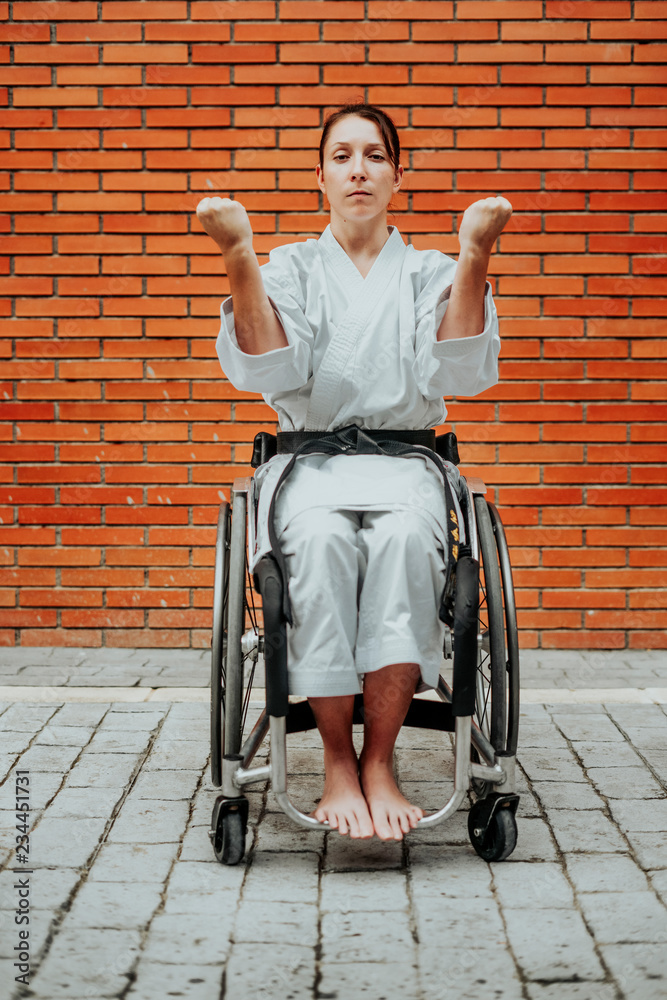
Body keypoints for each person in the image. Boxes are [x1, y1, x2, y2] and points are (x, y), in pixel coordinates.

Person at [197, 103, 512, 842]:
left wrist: (473, 257)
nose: (359, 169)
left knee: (405, 543)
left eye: (373, 155)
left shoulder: (429, 269)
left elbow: (459, 368)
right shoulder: (294, 267)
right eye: (342, 156)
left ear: (397, 175)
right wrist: (239, 257)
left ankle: (381, 760)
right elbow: (273, 365)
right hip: (309, 463)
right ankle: (338, 761)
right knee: (320, 545)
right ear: (321, 177)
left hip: (406, 462)